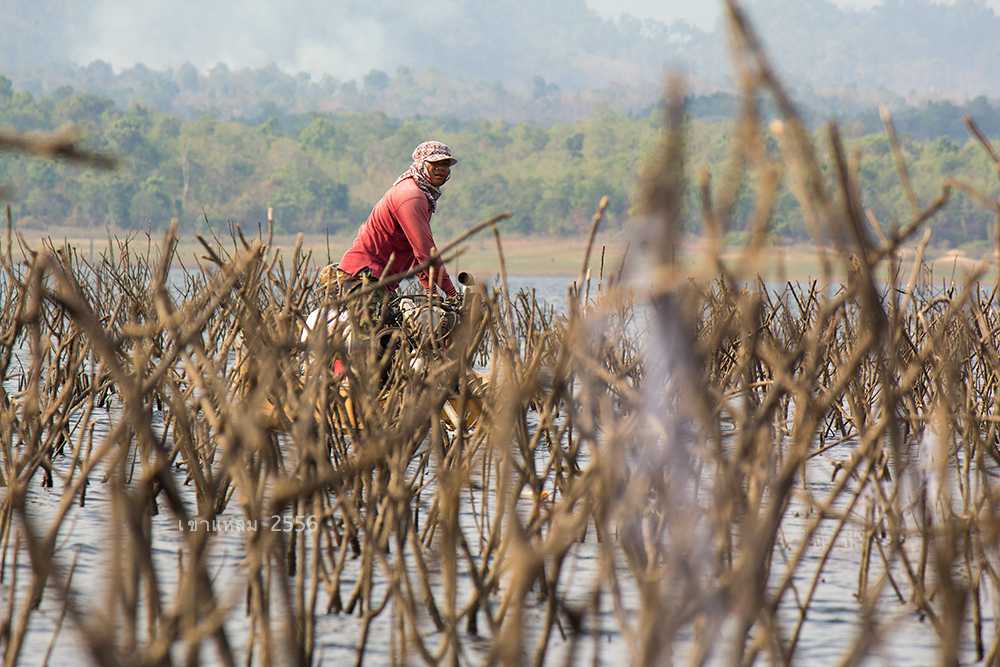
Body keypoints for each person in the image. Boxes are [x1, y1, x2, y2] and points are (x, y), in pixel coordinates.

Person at [332, 140, 459, 300]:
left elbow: (415, 251)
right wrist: (452, 293)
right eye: (435, 162)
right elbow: (425, 251)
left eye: (446, 164)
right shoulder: (412, 196)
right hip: (364, 276)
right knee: (377, 325)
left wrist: (431, 289)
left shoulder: (420, 193)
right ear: (421, 164)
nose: (441, 168)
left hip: (378, 280)